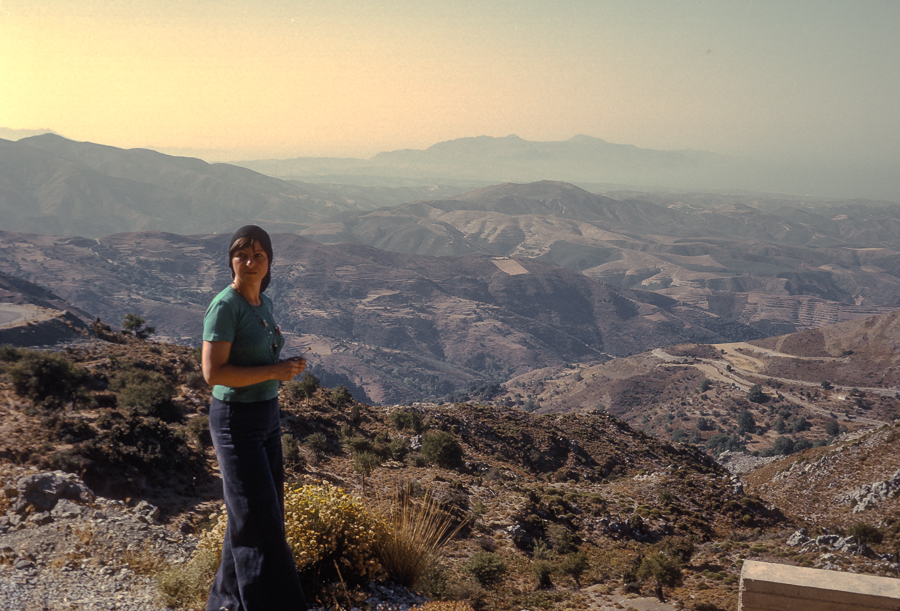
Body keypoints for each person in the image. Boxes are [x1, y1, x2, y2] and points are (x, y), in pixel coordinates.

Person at [202, 225, 308, 611]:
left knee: (256, 516)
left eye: (258, 255)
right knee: (261, 527)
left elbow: (263, 362)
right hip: (235, 421)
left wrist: (285, 369)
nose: (250, 262)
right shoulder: (224, 306)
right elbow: (213, 374)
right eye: (242, 254)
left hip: (265, 416)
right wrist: (274, 372)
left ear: (269, 262)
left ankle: (225, 604)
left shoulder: (263, 304)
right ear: (230, 259)